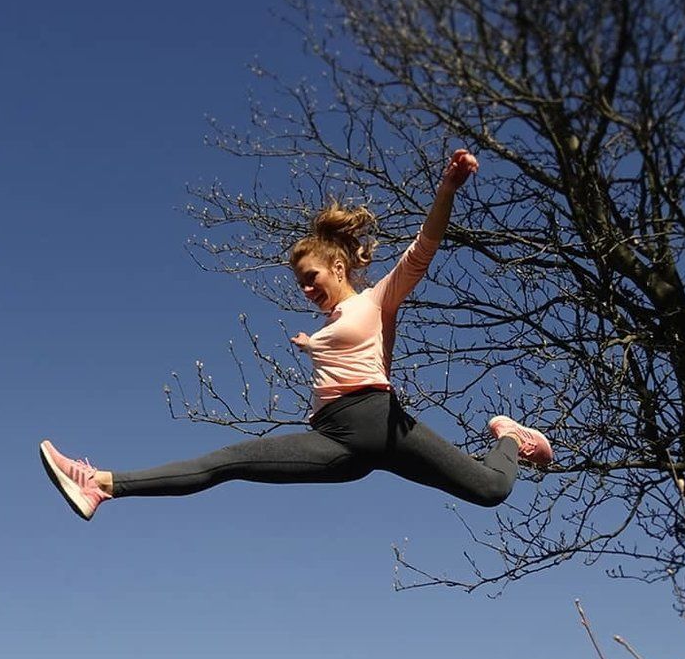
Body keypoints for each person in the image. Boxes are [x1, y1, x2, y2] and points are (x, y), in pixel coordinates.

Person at [40, 150, 552, 521]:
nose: (306, 289)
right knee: (229, 463)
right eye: (300, 282)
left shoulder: (376, 301)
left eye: (312, 277)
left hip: (379, 422)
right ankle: (100, 485)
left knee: (489, 489)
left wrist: (445, 191)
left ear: (338, 264)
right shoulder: (331, 326)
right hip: (336, 440)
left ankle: (511, 439)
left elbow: (424, 247)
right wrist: (316, 346)